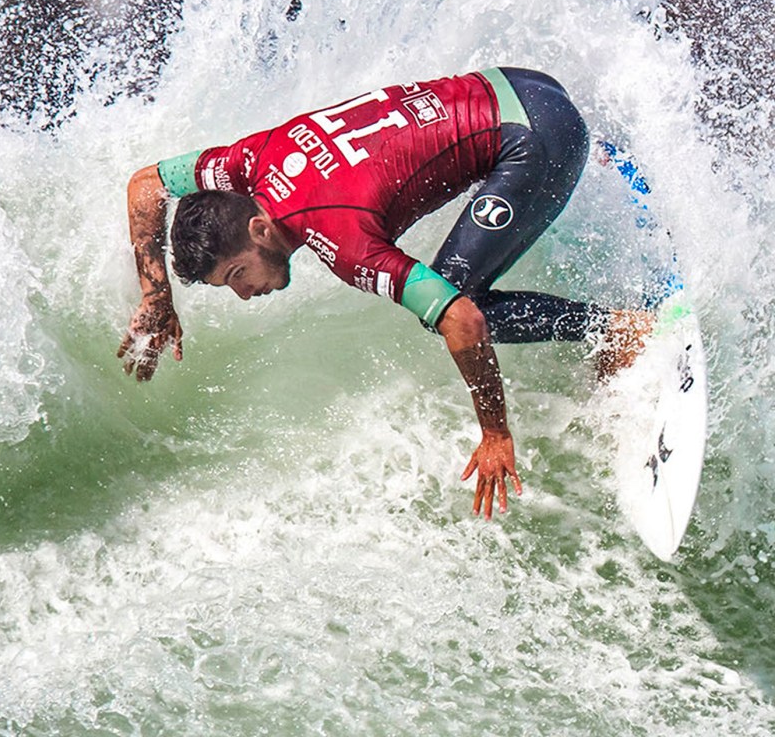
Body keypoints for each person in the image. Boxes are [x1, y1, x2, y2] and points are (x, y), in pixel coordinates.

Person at [120, 66, 649, 519]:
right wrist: (156, 296)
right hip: (518, 84)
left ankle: (619, 331)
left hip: (539, 136)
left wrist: (495, 434)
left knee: (452, 300)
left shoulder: (342, 241)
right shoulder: (249, 160)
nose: (243, 293)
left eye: (237, 274)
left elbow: (463, 320)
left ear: (259, 230)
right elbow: (146, 185)